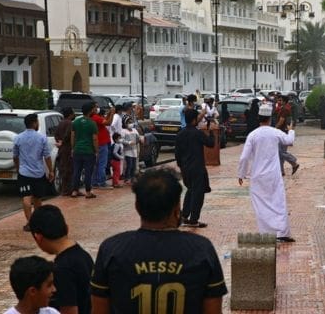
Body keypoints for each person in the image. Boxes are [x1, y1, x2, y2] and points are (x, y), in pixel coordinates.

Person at [90, 168, 227, 313]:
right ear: (177, 208)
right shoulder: (202, 250)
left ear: (137, 207)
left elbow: (99, 310)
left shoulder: (111, 250)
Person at [238, 104, 296, 242]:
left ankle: (267, 233)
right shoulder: (275, 132)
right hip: (274, 175)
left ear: (259, 118)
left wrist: (241, 174)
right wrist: (291, 130)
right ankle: (282, 232)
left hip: (257, 176)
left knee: (261, 206)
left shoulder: (253, 135)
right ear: (270, 118)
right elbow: (289, 140)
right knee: (279, 203)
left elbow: (244, 157)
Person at [28, 205, 94, 314]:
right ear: (67, 228)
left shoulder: (62, 268)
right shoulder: (83, 255)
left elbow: (69, 310)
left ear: (38, 237)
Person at [13, 113, 54, 232]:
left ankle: (30, 223)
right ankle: (37, 223)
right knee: (37, 198)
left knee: (26, 197)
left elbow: (15, 156)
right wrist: (50, 171)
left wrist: (18, 168)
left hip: (24, 172)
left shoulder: (18, 138)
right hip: (38, 173)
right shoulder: (42, 138)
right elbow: (47, 156)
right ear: (35, 123)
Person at [175, 108, 214, 228]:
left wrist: (182, 167)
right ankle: (194, 220)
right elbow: (210, 144)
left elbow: (177, 154)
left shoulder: (180, 134)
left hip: (186, 168)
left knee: (190, 190)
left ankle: (184, 215)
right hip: (197, 168)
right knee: (198, 194)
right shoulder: (197, 133)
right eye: (196, 118)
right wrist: (211, 132)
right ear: (193, 120)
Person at [70, 102, 98, 199]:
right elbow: (94, 138)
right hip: (88, 151)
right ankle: (88, 191)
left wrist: (73, 148)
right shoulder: (92, 123)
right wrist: (96, 150)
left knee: (76, 171)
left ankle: (74, 190)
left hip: (77, 150)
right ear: (90, 111)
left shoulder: (76, 122)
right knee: (88, 172)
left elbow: (72, 136)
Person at [91, 103, 114, 190]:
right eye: (96, 107)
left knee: (96, 164)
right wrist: (112, 113)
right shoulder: (96, 118)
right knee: (102, 164)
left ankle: (95, 182)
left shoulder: (94, 118)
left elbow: (104, 120)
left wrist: (108, 114)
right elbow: (108, 123)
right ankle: (101, 182)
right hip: (101, 143)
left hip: (99, 144)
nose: (98, 108)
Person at [276, 95, 299, 176]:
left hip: (283, 132)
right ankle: (281, 171)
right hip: (283, 132)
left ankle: (294, 162)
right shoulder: (284, 108)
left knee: (280, 152)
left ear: (284, 101)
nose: (279, 101)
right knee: (280, 153)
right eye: (278, 100)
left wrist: (275, 129)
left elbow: (281, 121)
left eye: (280, 100)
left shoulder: (285, 109)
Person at [55, 108, 75, 197]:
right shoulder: (70, 123)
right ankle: (67, 190)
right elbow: (68, 135)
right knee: (68, 169)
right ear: (70, 114)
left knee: (63, 169)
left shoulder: (60, 123)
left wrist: (59, 141)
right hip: (67, 148)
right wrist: (63, 141)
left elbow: (56, 134)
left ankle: (65, 189)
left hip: (62, 149)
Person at [121, 117, 142, 185]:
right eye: (129, 122)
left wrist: (141, 139)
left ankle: (133, 178)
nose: (131, 124)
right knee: (129, 165)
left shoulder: (134, 130)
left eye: (131, 122)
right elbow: (121, 140)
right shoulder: (123, 131)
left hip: (134, 151)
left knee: (133, 165)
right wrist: (128, 142)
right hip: (127, 151)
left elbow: (138, 137)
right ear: (125, 123)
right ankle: (127, 178)